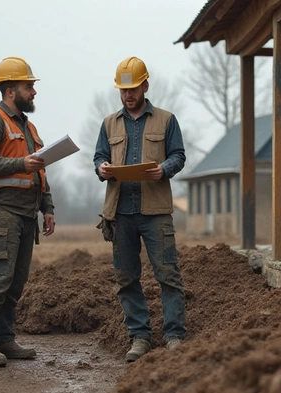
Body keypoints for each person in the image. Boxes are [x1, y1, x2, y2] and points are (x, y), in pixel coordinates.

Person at [93, 56, 187, 363]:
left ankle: (174, 336)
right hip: (120, 212)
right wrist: (102, 168)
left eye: (133, 88)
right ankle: (140, 337)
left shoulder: (166, 119)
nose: (128, 95)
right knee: (126, 278)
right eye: (123, 90)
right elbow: (98, 158)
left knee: (168, 275)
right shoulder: (109, 124)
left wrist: (164, 169)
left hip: (155, 211)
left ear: (145, 85)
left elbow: (178, 155)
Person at [0, 56, 55, 367]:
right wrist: (21, 163)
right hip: (1, 213)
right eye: (28, 86)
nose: (33, 92)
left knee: (15, 282)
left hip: (25, 214)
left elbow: (39, 173)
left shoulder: (27, 126)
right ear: (9, 90)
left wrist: (47, 207)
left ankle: (4, 338)